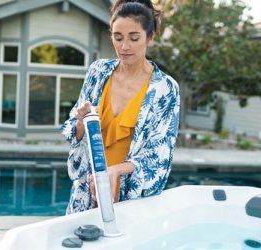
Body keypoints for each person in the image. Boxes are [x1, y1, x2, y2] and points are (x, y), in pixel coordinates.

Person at [60, 0, 180, 214]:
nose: (124, 47)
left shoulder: (165, 89)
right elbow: (72, 131)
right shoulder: (98, 72)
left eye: (134, 38)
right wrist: (80, 120)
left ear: (150, 37)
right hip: (86, 192)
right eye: (118, 37)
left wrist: (115, 171)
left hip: (132, 202)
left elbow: (159, 155)